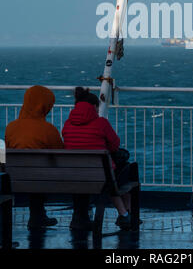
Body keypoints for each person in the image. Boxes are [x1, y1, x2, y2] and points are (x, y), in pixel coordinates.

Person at [62, 87, 132, 230]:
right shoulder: (101, 123)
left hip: (73, 174)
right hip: (101, 176)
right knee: (125, 168)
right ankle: (126, 213)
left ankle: (123, 214)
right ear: (94, 107)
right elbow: (115, 145)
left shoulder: (67, 124)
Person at [5, 85, 64, 229]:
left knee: (32, 173)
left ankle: (37, 216)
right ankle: (38, 216)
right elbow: (60, 155)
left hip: (14, 179)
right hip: (41, 180)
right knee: (40, 174)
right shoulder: (49, 130)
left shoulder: (11, 127)